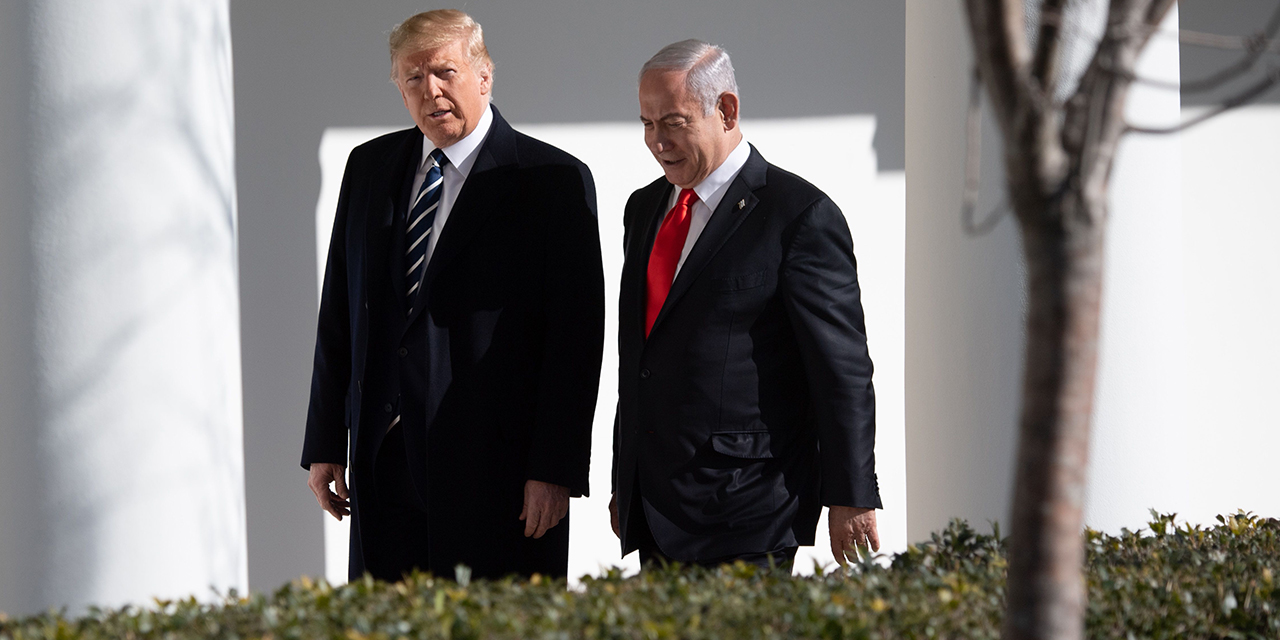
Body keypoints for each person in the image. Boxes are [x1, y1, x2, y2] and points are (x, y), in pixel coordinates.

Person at [301, 9, 604, 582]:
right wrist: (323, 443)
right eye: (413, 78)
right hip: (382, 462)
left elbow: (575, 339)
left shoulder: (551, 180)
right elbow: (339, 311)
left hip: (498, 474)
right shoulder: (368, 168)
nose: (431, 91)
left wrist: (554, 470)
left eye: (445, 71)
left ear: (484, 76)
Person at [609, 39, 881, 570]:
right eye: (646, 124)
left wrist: (851, 494)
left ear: (726, 110)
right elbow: (641, 355)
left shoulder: (799, 215)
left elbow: (841, 370)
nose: (656, 142)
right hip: (655, 503)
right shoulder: (644, 209)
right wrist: (628, 477)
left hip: (747, 506)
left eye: (673, 122)